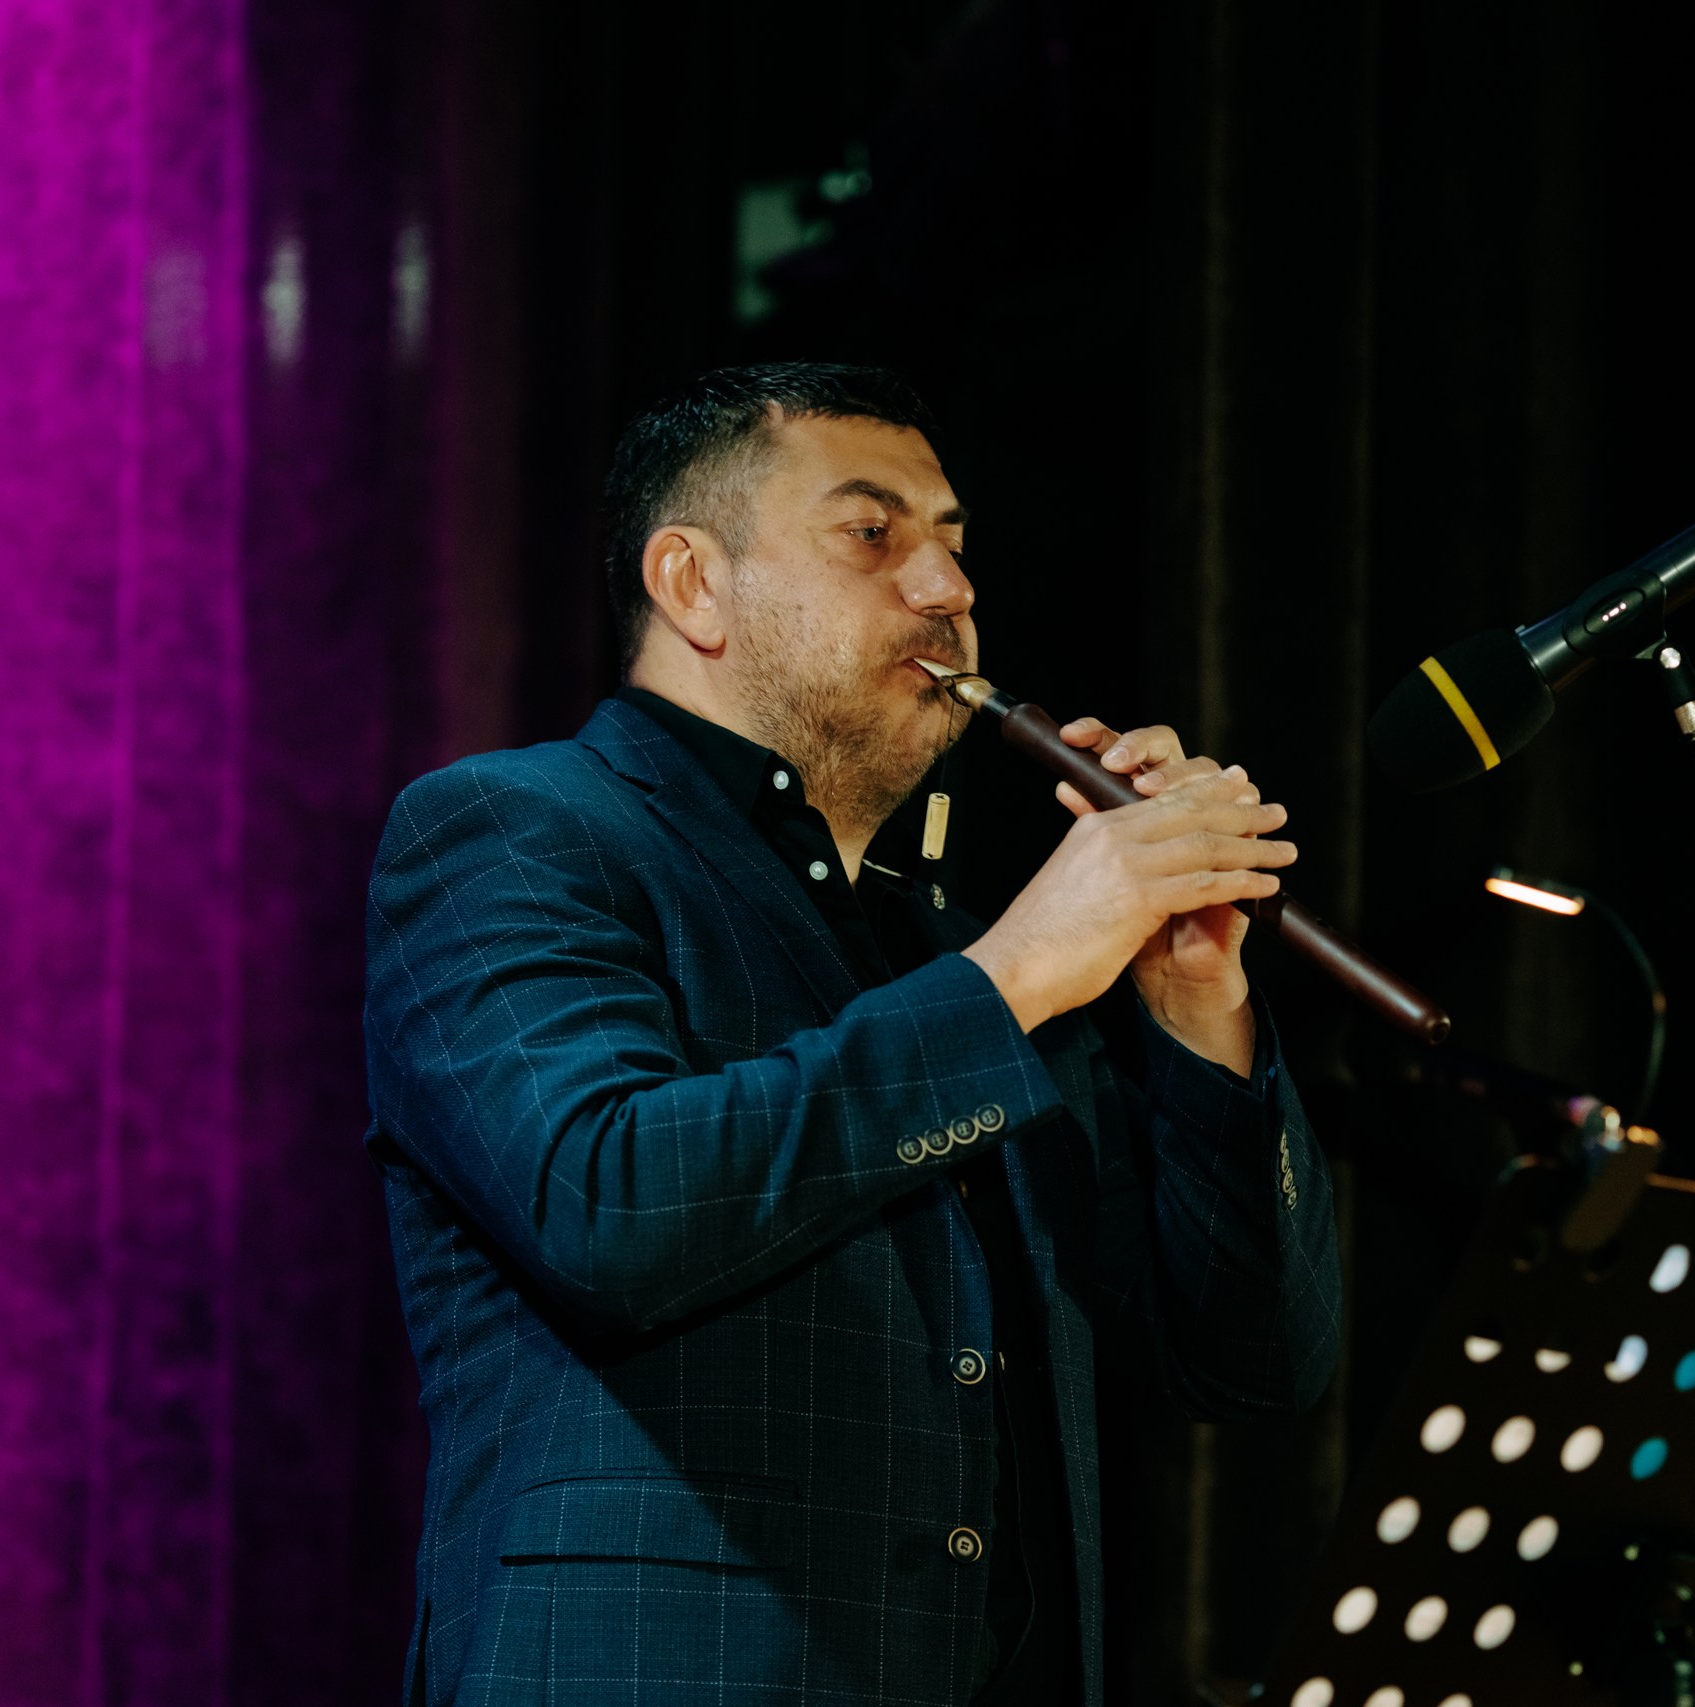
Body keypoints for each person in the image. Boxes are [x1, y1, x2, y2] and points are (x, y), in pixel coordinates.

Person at [363, 363, 1342, 1707]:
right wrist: (1020, 973)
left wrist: (1193, 1005)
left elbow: (1254, 1363)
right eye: (873, 534)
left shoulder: (952, 949)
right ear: (692, 583)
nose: (948, 589)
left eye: (953, 543)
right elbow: (606, 1206)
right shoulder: (515, 828)